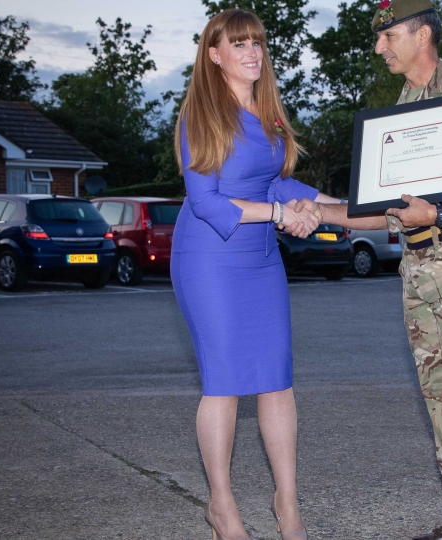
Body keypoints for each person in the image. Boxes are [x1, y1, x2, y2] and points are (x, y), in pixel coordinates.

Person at [295, 1, 442, 538]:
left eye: (388, 35)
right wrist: (320, 213)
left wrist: (438, 213)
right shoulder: (405, 106)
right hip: (419, 268)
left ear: (423, 34)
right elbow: (385, 208)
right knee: (441, 397)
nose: (379, 48)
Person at [170, 9, 341, 540]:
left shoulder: (268, 114)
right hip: (209, 260)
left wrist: (335, 205)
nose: (251, 52)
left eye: (257, 43)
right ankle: (222, 505)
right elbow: (205, 200)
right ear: (214, 55)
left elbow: (276, 184)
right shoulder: (200, 115)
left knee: (276, 381)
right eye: (237, 44)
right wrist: (281, 214)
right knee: (224, 384)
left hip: (261, 260)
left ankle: (287, 504)